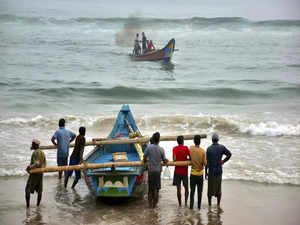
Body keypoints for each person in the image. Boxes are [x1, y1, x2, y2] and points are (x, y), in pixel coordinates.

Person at [205, 133, 232, 206]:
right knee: (218, 189)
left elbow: (206, 162)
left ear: (212, 140)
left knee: (210, 190)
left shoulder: (209, 149)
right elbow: (229, 154)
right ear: (218, 139)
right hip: (219, 171)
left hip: (211, 171)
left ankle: (209, 204)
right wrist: (223, 161)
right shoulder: (222, 147)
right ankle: (218, 204)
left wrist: (205, 173)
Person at [143, 132, 168, 208]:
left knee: (150, 190)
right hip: (157, 171)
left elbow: (144, 158)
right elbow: (164, 160)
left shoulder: (149, 148)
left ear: (153, 139)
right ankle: (155, 206)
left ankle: (150, 206)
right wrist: (166, 161)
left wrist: (144, 161)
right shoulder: (161, 149)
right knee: (156, 189)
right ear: (159, 140)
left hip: (151, 171)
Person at [25, 139, 46, 208]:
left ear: (35, 145)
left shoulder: (35, 153)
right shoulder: (42, 152)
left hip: (34, 174)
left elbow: (37, 163)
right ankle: (38, 205)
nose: (31, 145)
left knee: (27, 189)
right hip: (40, 173)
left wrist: (29, 167)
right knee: (39, 190)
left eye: (32, 144)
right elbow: (44, 163)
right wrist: (42, 170)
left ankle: (27, 206)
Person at [189, 135, 207, 209]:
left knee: (192, 192)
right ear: (200, 142)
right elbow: (205, 163)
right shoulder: (203, 151)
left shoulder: (190, 149)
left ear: (194, 141)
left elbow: (189, 157)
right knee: (200, 192)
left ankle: (191, 207)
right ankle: (199, 207)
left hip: (193, 173)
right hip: (200, 175)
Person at [173, 135, 190, 207]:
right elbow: (190, 157)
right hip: (184, 171)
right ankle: (185, 203)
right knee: (186, 188)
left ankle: (180, 204)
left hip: (177, 171)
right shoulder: (186, 148)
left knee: (178, 189)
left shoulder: (174, 148)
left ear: (177, 142)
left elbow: (174, 159)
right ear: (183, 141)